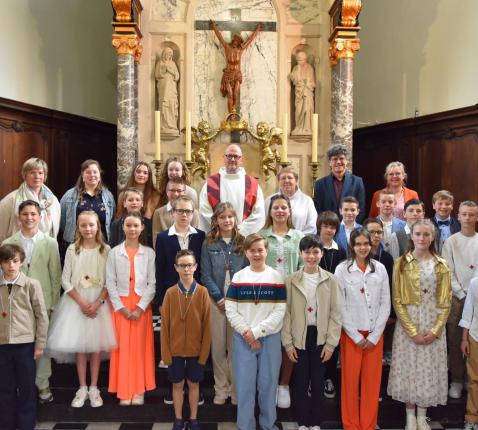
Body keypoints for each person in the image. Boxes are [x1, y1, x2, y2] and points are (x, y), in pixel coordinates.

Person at [46, 211, 116, 408]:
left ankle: (94, 388)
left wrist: (97, 303)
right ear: (78, 227)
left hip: (99, 303)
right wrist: (83, 303)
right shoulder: (72, 249)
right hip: (76, 303)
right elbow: (65, 280)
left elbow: (110, 281)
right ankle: (82, 387)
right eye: (83, 225)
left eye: (91, 225)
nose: (88, 229)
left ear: (98, 227)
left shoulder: (106, 250)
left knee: (94, 347)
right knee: (80, 347)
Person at [388, 219, 452, 430]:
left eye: (426, 234)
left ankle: (422, 416)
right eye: (418, 234)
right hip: (409, 322)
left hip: (432, 321)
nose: (422, 238)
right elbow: (397, 299)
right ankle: (409, 416)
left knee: (427, 368)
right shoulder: (401, 263)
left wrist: (435, 330)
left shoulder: (441, 264)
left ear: (432, 237)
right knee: (410, 368)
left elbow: (445, 302)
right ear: (412, 236)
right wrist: (412, 331)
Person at [2, 199, 61, 404]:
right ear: (19, 217)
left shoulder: (50, 242)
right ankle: (19, 386)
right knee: (19, 347)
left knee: (40, 345)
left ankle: (43, 384)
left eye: (33, 214)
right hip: (17, 305)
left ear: (40, 217)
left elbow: (55, 274)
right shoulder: (8, 242)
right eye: (25, 214)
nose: (29, 218)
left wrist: (54, 303)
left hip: (43, 301)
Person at [225, 233, 286, 430]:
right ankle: (245, 426)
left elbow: (280, 310)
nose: (257, 254)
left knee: (268, 386)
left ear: (267, 251)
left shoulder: (276, 277)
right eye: (252, 250)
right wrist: (247, 333)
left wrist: (257, 332)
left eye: (260, 250)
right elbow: (230, 310)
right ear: (246, 252)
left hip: (269, 339)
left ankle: (268, 424)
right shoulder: (238, 276)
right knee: (245, 387)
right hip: (243, 339)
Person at [282, 235, 342, 430]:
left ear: (322, 253)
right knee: (300, 383)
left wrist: (331, 344)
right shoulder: (290, 280)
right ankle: (302, 423)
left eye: (315, 252)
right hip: (300, 337)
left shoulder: (331, 280)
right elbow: (286, 314)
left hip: (321, 338)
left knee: (317, 383)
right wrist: (288, 343)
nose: (311, 256)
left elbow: (336, 313)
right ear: (301, 254)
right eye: (307, 252)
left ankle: (315, 422)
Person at [335, 228, 390, 430]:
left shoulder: (380, 269)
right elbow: (339, 305)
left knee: (371, 384)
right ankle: (350, 424)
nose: (362, 248)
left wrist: (375, 335)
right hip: (352, 335)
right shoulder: (342, 269)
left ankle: (368, 424)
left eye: (366, 243)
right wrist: (355, 335)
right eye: (358, 244)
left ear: (371, 244)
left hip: (375, 335)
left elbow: (386, 303)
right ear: (352, 245)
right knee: (350, 382)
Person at [201, 202, 248, 405]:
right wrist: (218, 297)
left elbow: (247, 272)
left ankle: (236, 390)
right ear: (216, 220)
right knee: (218, 348)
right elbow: (205, 273)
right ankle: (221, 389)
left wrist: (234, 298)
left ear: (235, 219)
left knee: (235, 348)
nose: (227, 220)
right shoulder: (209, 243)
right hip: (216, 302)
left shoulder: (242, 242)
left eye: (230, 216)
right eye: (222, 217)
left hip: (237, 303)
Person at [106, 212, 156, 405]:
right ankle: (123, 390)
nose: (132, 229)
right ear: (123, 227)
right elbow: (109, 283)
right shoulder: (114, 253)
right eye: (129, 225)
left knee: (139, 349)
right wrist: (121, 307)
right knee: (121, 349)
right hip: (121, 307)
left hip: (141, 307)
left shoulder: (149, 253)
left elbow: (152, 283)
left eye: (136, 225)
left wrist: (141, 307)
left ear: (142, 227)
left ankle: (138, 390)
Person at [260, 193, 303, 408]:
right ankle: (268, 385)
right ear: (269, 212)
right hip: (267, 297)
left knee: (289, 340)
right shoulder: (261, 235)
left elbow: (305, 265)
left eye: (283, 208)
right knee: (269, 342)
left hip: (292, 296)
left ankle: (284, 384)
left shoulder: (298, 236)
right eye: (275, 208)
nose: (279, 211)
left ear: (289, 211)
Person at [161, 250, 211, 430]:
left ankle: (194, 418)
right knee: (177, 384)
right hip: (174, 350)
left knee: (193, 384)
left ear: (195, 267)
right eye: (182, 265)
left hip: (196, 351)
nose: (186, 269)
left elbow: (207, 327)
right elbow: (164, 326)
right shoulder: (170, 293)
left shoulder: (203, 292)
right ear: (176, 268)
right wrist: (166, 355)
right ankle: (178, 419)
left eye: (189, 265)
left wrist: (204, 355)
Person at [0, 243, 48, 430]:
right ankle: (6, 424)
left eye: (15, 261)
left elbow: (41, 315)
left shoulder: (31, 284)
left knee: (27, 386)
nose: (11, 265)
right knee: (5, 387)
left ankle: (27, 424)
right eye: (6, 261)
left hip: (25, 344)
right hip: (2, 344)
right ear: (1, 264)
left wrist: (40, 344)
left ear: (21, 262)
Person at [442, 201, 478, 399]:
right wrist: (462, 293)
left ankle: (469, 377)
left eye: (471, 214)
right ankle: (456, 378)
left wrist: (472, 294)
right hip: (456, 297)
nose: (467, 218)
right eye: (464, 214)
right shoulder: (451, 241)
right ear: (458, 215)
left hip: (477, 296)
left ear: (476, 217)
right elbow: (448, 271)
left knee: (473, 339)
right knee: (456, 339)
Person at [199, 144, 265, 236]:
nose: (233, 159)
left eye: (236, 157)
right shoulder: (211, 184)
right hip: (218, 237)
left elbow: (259, 213)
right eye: (229, 156)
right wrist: (223, 229)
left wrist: (240, 231)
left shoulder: (253, 185)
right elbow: (204, 210)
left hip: (244, 239)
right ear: (224, 158)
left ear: (241, 160)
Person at [316, 210, 346, 399]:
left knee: (331, 342)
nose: (329, 230)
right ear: (319, 226)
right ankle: (314, 379)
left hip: (333, 302)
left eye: (332, 227)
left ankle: (328, 378)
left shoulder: (340, 250)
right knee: (314, 342)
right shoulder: (312, 246)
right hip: (313, 301)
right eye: (326, 225)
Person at [155, 196, 205, 308]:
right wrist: (160, 300)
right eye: (180, 211)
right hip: (171, 292)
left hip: (196, 291)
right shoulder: (163, 238)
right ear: (173, 212)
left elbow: (202, 267)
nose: (184, 214)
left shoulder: (200, 236)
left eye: (188, 211)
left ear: (193, 214)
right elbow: (160, 270)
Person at [0, 157, 61, 243]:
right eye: (32, 173)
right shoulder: (11, 200)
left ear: (45, 176)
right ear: (25, 175)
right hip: (19, 250)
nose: (37, 176)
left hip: (46, 248)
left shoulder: (53, 200)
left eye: (40, 173)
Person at [210, 20, 263, 113]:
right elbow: (220, 37)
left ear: (238, 42)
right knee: (230, 95)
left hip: (237, 74)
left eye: (237, 41)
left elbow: (250, 40)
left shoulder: (240, 50)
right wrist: (214, 27)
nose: (235, 42)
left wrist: (258, 29)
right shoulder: (227, 48)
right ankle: (230, 116)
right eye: (234, 40)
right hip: (228, 74)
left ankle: (234, 115)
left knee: (235, 94)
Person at [363, 217, 395, 366]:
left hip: (382, 309)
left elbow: (391, 286)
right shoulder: (358, 256)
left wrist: (391, 314)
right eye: (371, 232)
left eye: (379, 232)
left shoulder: (387, 258)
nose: (376, 235)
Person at [60, 159, 115, 245]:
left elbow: (112, 219)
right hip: (76, 243)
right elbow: (62, 218)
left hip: (102, 244)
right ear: (82, 175)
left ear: (99, 175)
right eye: (88, 172)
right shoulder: (69, 195)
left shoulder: (108, 196)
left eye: (95, 172)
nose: (92, 175)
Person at [313, 144, 366, 223]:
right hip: (328, 228)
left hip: (351, 228)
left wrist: (351, 227)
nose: (338, 162)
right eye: (334, 159)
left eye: (341, 158)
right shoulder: (320, 184)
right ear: (330, 163)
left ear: (346, 161)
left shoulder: (357, 182)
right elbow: (318, 210)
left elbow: (361, 208)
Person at [264, 166, 317, 235]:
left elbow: (312, 227)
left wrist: (296, 239)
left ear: (296, 180)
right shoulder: (269, 200)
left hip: (300, 243)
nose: (286, 181)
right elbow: (264, 223)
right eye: (283, 178)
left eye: (290, 178)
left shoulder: (307, 201)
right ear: (278, 181)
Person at [152, 177, 199, 246]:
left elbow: (195, 238)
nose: (176, 194)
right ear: (167, 192)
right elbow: (156, 240)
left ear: (184, 192)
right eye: (172, 190)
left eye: (179, 191)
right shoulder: (158, 213)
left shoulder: (194, 213)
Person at [459, 277, 478, 430]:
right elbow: (468, 313)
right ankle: (471, 418)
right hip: (475, 336)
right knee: (474, 380)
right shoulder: (474, 283)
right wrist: (464, 339)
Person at [289, 51, 316, 135]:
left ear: (305, 59)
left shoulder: (309, 68)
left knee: (307, 110)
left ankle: (307, 128)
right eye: (298, 60)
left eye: (301, 60)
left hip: (307, 93)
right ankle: (298, 127)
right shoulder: (296, 68)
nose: (299, 62)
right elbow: (292, 78)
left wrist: (307, 83)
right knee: (299, 109)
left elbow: (313, 84)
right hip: (299, 93)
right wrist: (298, 70)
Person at [155, 46, 180, 134]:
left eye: (170, 54)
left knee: (172, 104)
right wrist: (163, 70)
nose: (168, 55)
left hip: (171, 87)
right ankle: (164, 125)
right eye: (166, 53)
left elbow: (177, 76)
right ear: (163, 54)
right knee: (163, 104)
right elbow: (157, 75)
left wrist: (170, 70)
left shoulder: (173, 63)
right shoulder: (160, 63)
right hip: (163, 86)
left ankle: (172, 124)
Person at [374, 190, 406, 255]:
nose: (387, 205)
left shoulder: (403, 225)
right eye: (383, 202)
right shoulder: (370, 224)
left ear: (395, 204)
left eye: (390, 202)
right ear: (378, 204)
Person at [431, 190, 460, 254]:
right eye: (440, 203)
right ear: (433, 205)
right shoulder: (427, 224)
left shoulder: (459, 225)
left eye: (447, 204)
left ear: (452, 206)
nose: (443, 207)